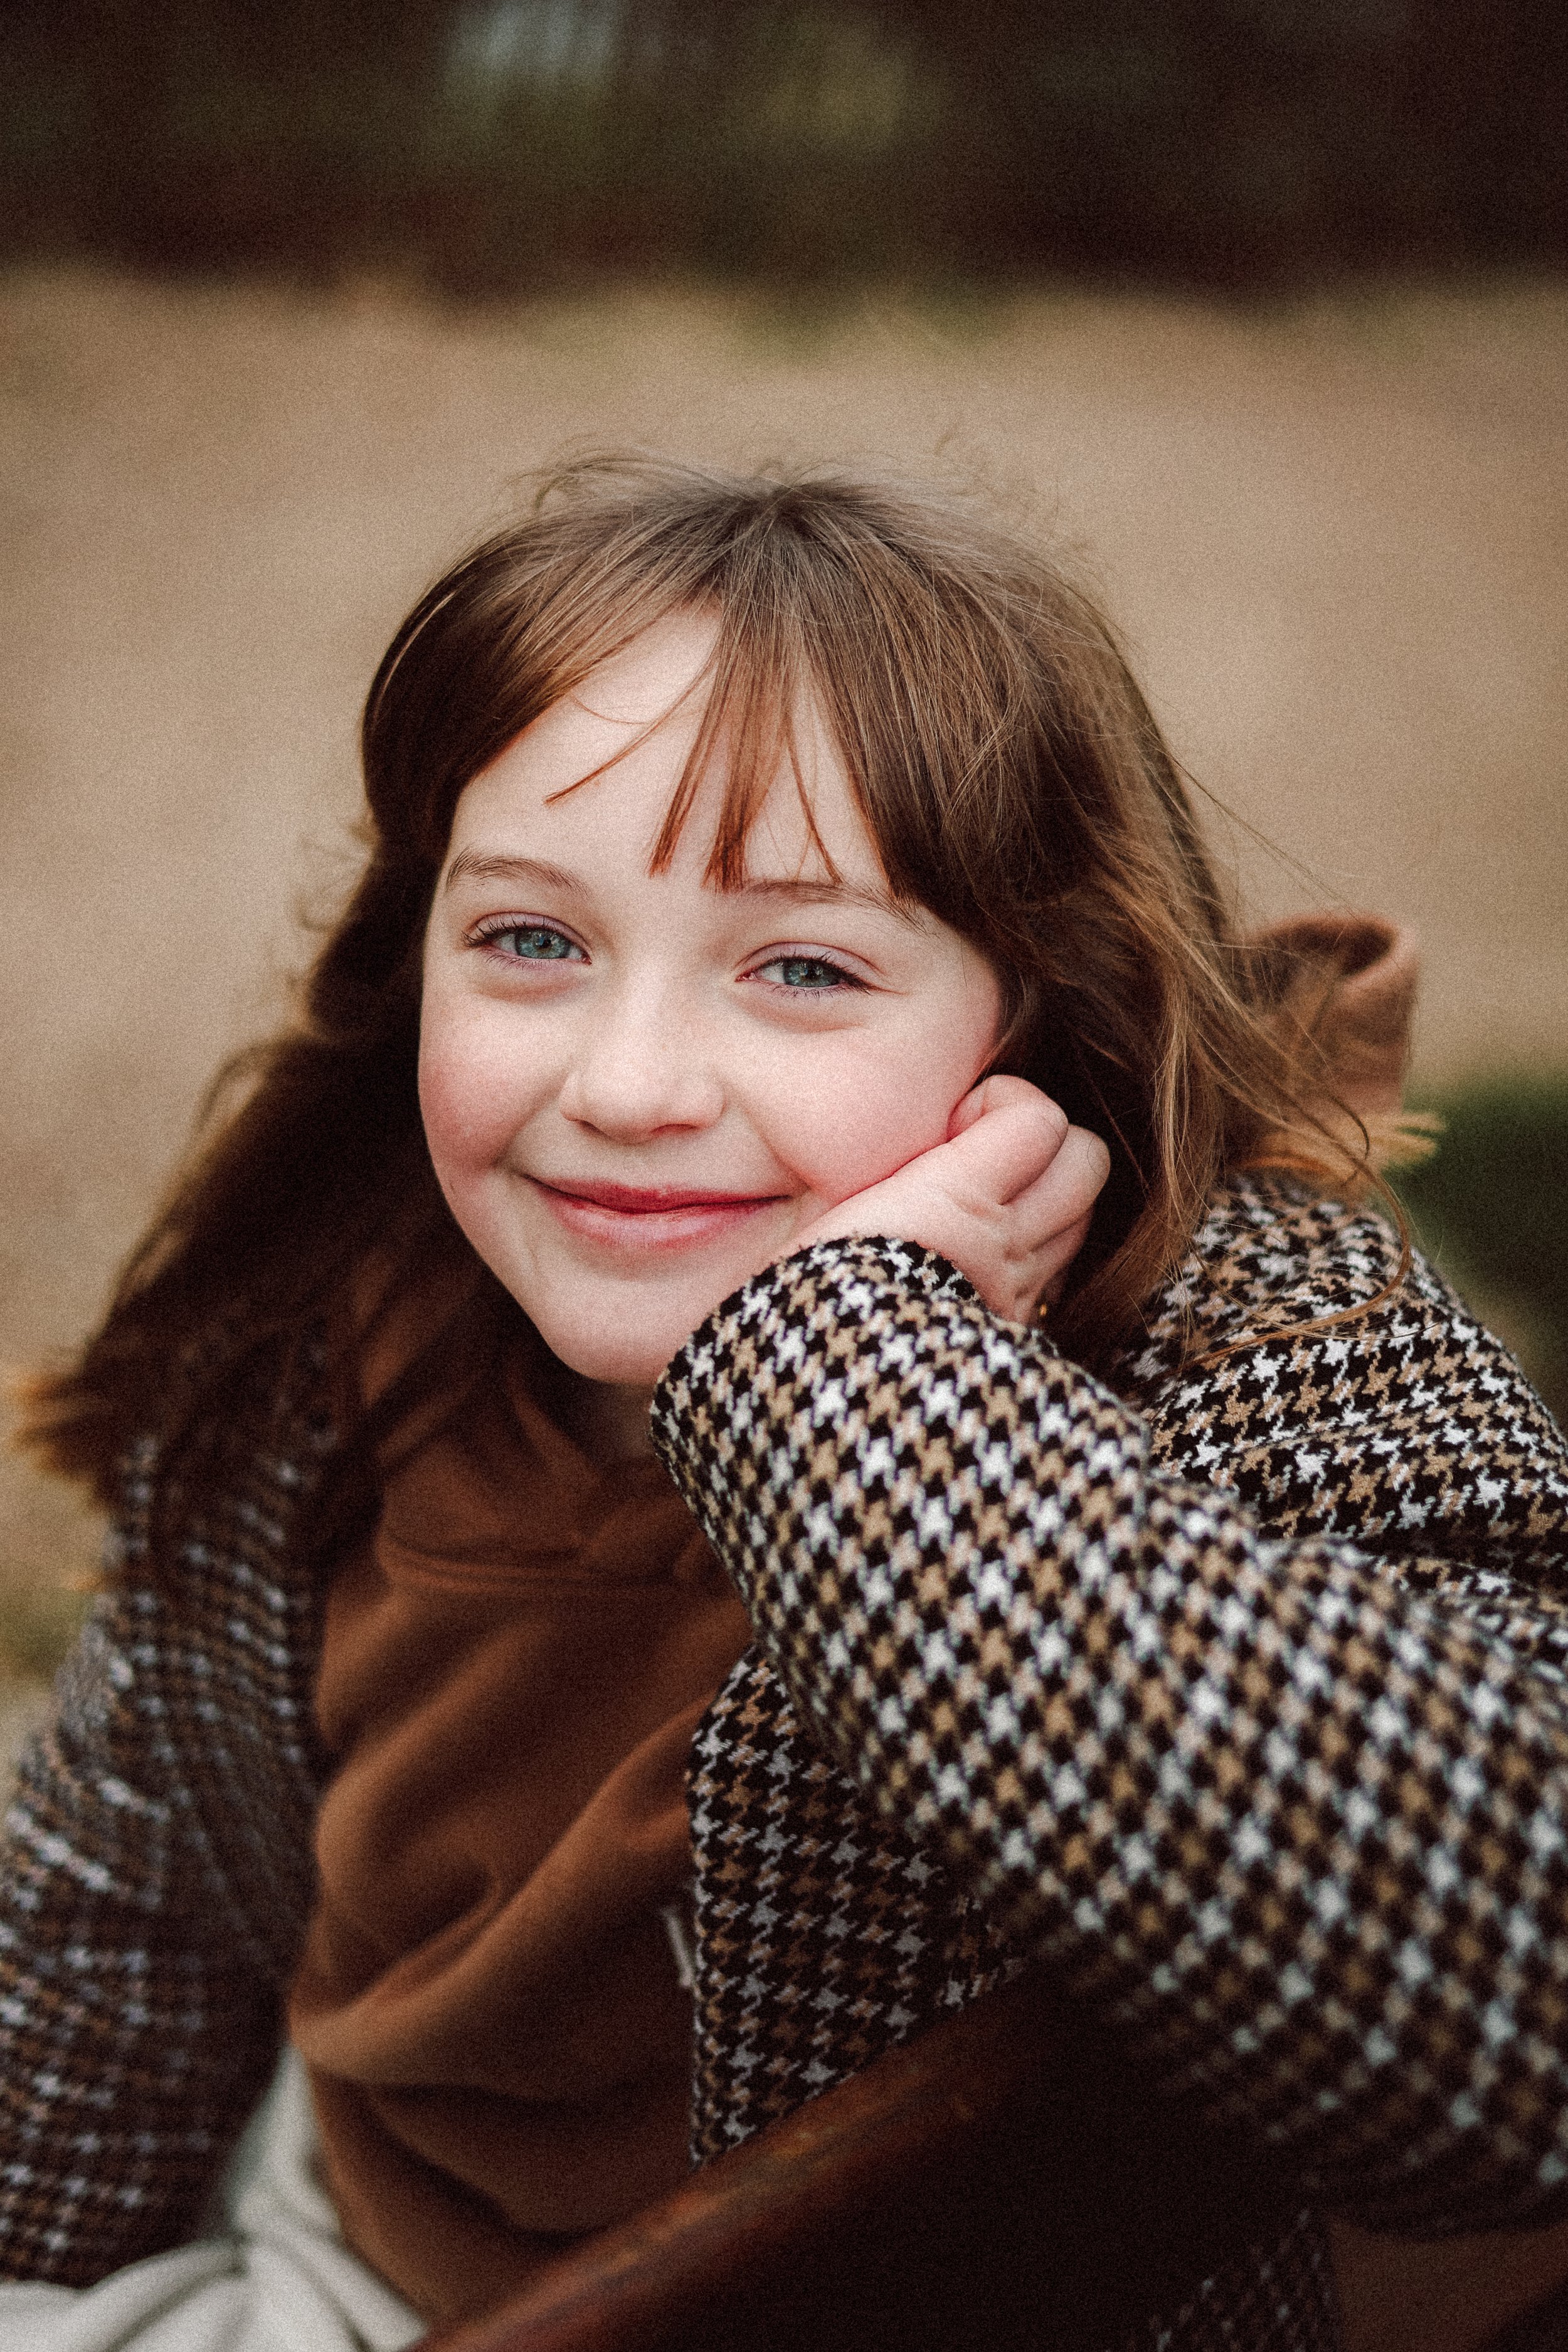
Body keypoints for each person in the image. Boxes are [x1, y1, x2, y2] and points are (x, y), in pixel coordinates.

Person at [3, 455, 1567, 2352]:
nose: (630, 1080)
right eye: (531, 941)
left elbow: (1509, 2000)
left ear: (1031, 1005)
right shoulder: (334, 1337)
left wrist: (850, 1366)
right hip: (335, 2260)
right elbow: (121, 1896)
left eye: (803, 965)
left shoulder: (1248, 1339)